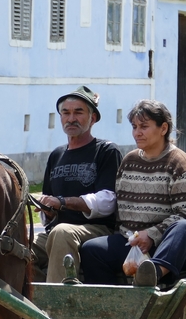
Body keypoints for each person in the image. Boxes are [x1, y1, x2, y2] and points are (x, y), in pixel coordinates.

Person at [79, 100, 186, 288]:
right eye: (134, 127)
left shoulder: (179, 163)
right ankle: (111, 301)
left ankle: (152, 274)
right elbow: (121, 213)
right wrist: (133, 239)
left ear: (163, 128)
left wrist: (152, 235)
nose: (137, 133)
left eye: (144, 127)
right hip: (138, 244)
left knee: (184, 227)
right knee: (92, 250)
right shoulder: (129, 162)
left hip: (180, 246)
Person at [33, 86, 123, 283]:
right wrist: (48, 210)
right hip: (57, 232)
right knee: (17, 248)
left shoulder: (106, 151)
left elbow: (108, 201)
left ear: (93, 118)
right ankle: (30, 299)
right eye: (66, 113)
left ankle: (58, 299)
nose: (71, 118)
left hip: (97, 230)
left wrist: (63, 202)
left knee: (62, 232)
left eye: (78, 112)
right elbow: (50, 201)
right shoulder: (56, 155)